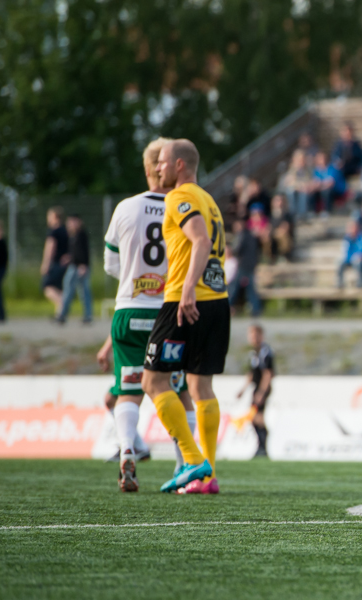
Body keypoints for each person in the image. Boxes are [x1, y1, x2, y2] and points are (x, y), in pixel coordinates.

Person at [101, 137, 195, 492]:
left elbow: (112, 264)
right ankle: (183, 462)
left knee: (128, 391)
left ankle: (127, 449)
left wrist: (135, 274)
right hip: (168, 312)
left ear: (148, 168)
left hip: (128, 309)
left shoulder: (126, 208)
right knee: (177, 387)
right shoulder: (182, 207)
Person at [141, 139, 229, 494]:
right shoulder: (210, 200)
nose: (157, 167)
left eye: (162, 162)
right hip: (218, 300)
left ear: (179, 165)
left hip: (185, 299)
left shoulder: (179, 196)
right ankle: (208, 477)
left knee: (152, 381)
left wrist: (189, 288)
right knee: (200, 385)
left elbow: (201, 240)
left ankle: (193, 461)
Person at [237, 324, 274, 457]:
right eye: (251, 335)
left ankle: (263, 448)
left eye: (255, 335)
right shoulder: (254, 352)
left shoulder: (265, 351)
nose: (253, 338)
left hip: (262, 389)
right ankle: (261, 447)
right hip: (256, 389)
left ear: (261, 336)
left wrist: (261, 392)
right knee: (254, 418)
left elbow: (268, 374)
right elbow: (252, 373)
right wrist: (243, 390)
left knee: (258, 418)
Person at [55, 215, 92, 324]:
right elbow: (75, 252)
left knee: (83, 291)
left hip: (79, 267)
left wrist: (84, 265)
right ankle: (62, 314)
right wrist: (69, 257)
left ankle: (86, 315)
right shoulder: (73, 235)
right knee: (70, 289)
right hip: (74, 265)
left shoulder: (81, 235)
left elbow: (84, 252)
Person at [229, 219, 262, 317]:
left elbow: (237, 248)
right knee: (250, 288)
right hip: (251, 265)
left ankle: (227, 305)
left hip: (243, 265)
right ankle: (256, 309)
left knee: (234, 286)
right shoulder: (251, 235)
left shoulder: (242, 235)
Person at [40, 207, 69, 317]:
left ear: (54, 217)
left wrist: (46, 264)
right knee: (58, 288)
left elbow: (50, 248)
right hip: (65, 264)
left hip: (56, 263)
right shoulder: (66, 230)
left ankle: (62, 304)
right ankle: (59, 314)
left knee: (47, 287)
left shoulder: (54, 231)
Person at [337, 220, 362, 289]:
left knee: (358, 262)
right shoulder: (347, 238)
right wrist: (349, 258)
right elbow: (345, 252)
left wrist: (357, 256)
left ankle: (360, 284)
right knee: (339, 262)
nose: (351, 229)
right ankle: (339, 283)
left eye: (353, 227)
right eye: (349, 228)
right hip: (350, 259)